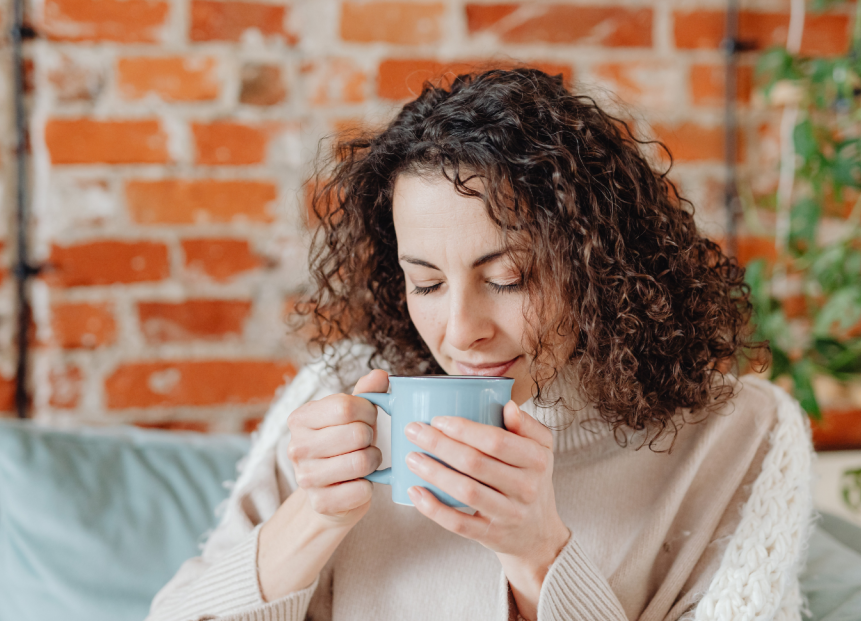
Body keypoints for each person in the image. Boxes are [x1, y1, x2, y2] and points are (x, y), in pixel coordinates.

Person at [146, 68, 813, 621]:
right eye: (427, 283)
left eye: (508, 277)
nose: (462, 331)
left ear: (597, 263)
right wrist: (314, 516)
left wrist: (539, 555)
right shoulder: (347, 396)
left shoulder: (732, 435)